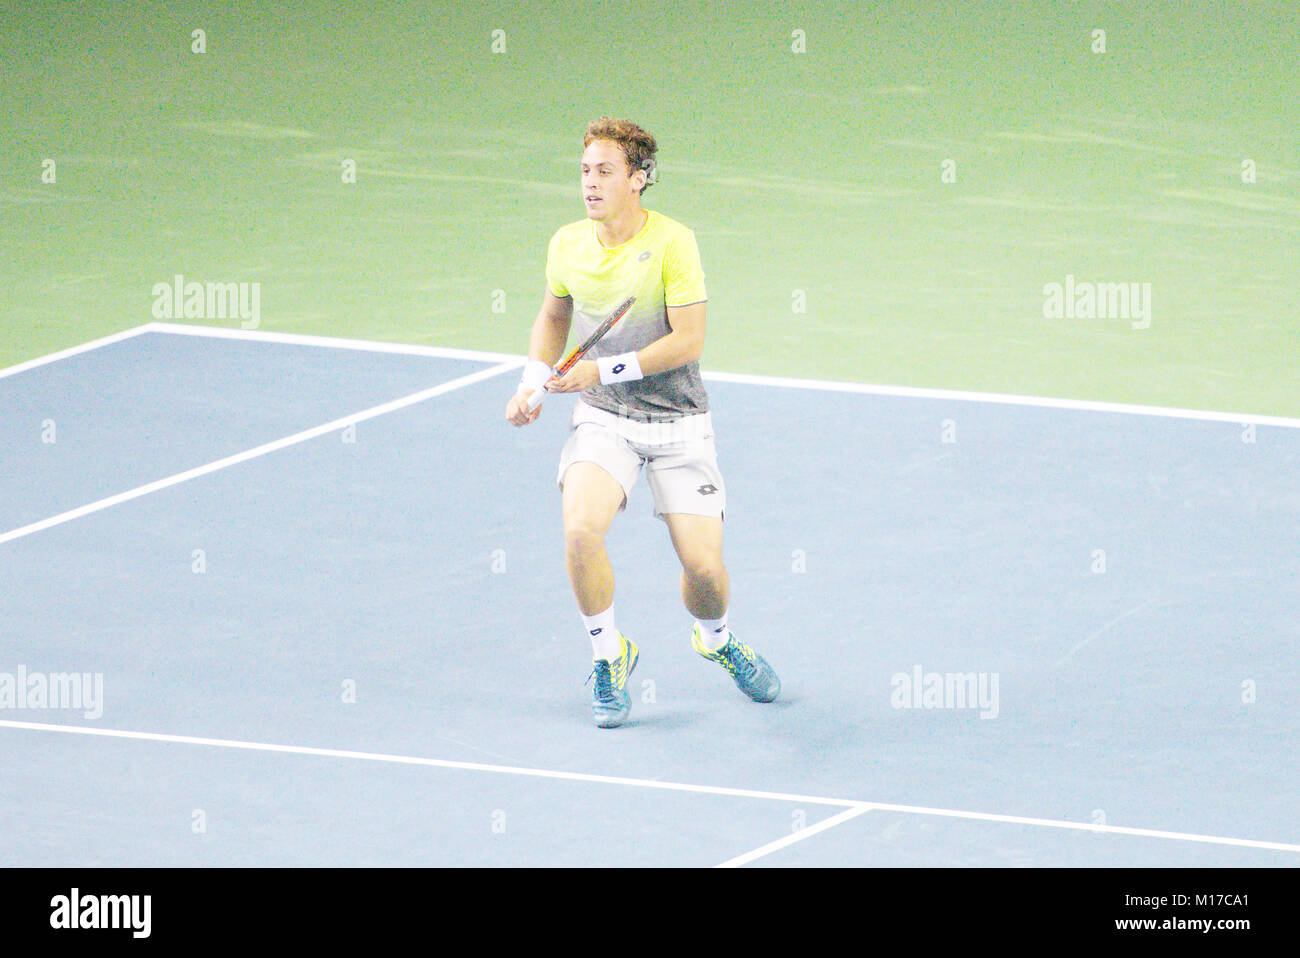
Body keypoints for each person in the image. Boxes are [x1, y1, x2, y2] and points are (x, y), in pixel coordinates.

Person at [505, 116, 779, 728]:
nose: (590, 184)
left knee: (704, 570)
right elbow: (553, 317)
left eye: (605, 172)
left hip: (679, 422)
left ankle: (716, 637)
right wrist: (531, 380)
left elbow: (689, 341)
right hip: (605, 420)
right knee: (580, 530)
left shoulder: (675, 243)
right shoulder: (567, 243)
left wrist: (600, 371)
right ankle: (610, 654)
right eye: (584, 171)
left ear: (638, 179)